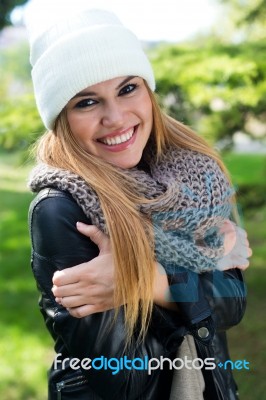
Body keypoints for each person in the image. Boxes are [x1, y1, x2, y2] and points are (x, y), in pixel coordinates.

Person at [27, 7, 251, 400]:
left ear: (147, 90)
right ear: (61, 116)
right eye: (86, 102)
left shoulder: (197, 176)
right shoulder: (61, 208)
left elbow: (232, 304)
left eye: (127, 88)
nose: (115, 118)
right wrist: (195, 281)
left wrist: (152, 284)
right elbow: (126, 381)